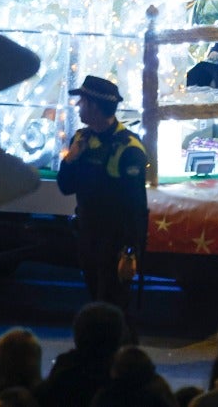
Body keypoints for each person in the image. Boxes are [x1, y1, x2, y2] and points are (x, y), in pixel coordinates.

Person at [56, 75, 148, 307]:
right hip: (88, 237)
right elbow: (65, 187)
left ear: (94, 106)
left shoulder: (130, 148)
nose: (77, 106)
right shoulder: (81, 139)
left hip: (114, 242)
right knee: (96, 303)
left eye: (82, 101)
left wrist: (129, 252)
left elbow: (136, 207)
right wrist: (71, 159)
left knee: (115, 311)